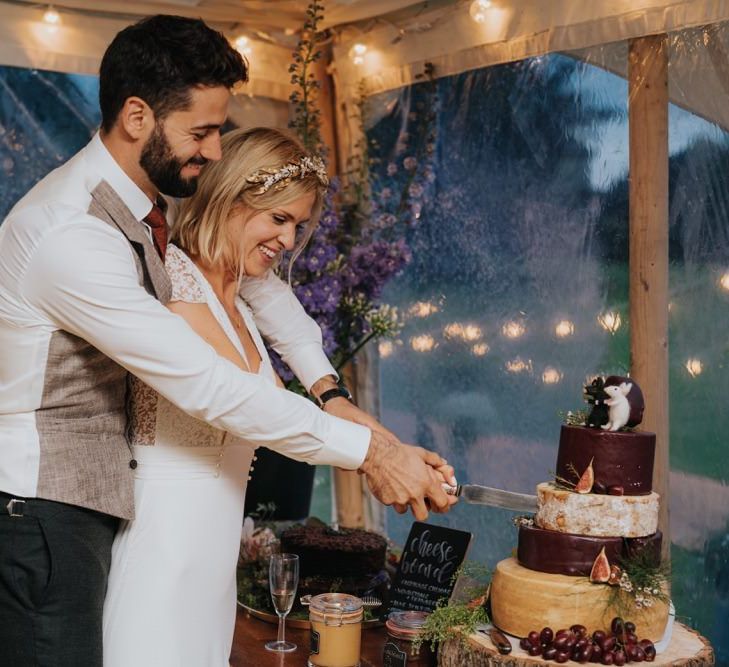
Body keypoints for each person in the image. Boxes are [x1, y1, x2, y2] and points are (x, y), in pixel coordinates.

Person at [0, 15, 455, 667]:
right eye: (203, 131)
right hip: (46, 513)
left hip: (122, 528)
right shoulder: (74, 232)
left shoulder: (151, 220)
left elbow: (271, 300)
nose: (214, 150)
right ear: (136, 117)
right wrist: (367, 454)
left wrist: (335, 397)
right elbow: (211, 385)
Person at [103, 126, 338, 666]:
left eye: (298, 225)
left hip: (212, 566)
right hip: (163, 553)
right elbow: (265, 413)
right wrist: (375, 456)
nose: (287, 239)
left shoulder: (243, 304)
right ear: (229, 197)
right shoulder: (174, 286)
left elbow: (293, 345)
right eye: (278, 218)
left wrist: (355, 416)